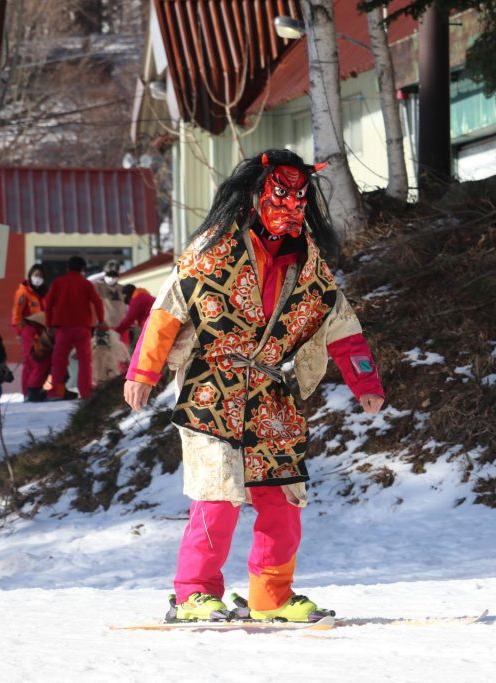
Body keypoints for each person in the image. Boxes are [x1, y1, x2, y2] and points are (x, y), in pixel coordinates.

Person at [122, 149, 386, 623]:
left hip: (271, 391)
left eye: (300, 196)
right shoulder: (211, 250)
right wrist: (144, 371)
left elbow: (340, 322)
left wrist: (364, 380)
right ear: (257, 194)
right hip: (212, 388)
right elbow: (168, 309)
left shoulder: (309, 263)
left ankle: (272, 596)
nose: (291, 205)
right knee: (218, 492)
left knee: (284, 497)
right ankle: (194, 593)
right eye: (281, 194)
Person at [45, 256, 105, 400]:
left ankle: (56, 392)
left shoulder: (58, 283)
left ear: (68, 268)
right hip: (82, 329)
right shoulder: (86, 284)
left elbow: (48, 305)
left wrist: (49, 325)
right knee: (84, 361)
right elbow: (98, 302)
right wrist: (101, 321)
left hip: (62, 329)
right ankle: (85, 392)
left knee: (59, 361)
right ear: (83, 269)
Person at [11, 264, 52, 402]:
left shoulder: (45, 293)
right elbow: (16, 313)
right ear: (30, 276)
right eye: (35, 275)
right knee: (32, 362)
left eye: (40, 276)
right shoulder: (23, 293)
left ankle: (35, 390)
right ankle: (28, 392)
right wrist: (19, 332)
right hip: (29, 330)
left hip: (42, 331)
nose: (38, 278)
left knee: (43, 361)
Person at [91, 260, 130, 383]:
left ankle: (122, 381)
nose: (112, 277)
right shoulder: (99, 287)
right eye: (110, 274)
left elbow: (128, 306)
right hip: (105, 328)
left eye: (114, 274)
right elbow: (87, 281)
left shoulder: (122, 289)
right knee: (103, 357)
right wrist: (104, 273)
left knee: (123, 356)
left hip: (122, 327)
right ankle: (103, 381)